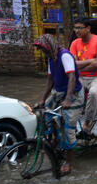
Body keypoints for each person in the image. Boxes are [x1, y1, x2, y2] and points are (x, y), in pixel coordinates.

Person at [34, 34, 84, 176]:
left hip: (73, 95)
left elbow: (72, 78)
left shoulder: (64, 56)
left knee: (66, 125)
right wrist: (43, 99)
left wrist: (68, 99)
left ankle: (69, 162)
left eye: (44, 49)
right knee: (42, 114)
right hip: (58, 93)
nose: (43, 52)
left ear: (50, 46)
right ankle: (54, 142)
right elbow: (50, 80)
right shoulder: (51, 58)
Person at [70, 17, 97, 134]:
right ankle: (72, 121)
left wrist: (80, 65)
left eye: (79, 28)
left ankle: (87, 123)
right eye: (75, 28)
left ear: (88, 28)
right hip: (80, 77)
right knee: (71, 91)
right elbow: (73, 65)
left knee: (93, 93)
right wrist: (91, 61)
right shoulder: (75, 43)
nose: (76, 31)